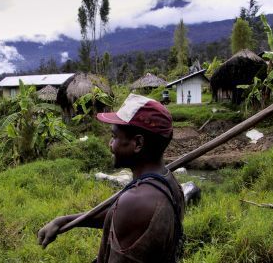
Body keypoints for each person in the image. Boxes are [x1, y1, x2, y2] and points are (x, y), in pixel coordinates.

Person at [38, 94, 185, 263]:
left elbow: (128, 212)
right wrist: (63, 221)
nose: (110, 144)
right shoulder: (170, 183)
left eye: (114, 137)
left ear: (138, 144)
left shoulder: (136, 201)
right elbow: (119, 215)